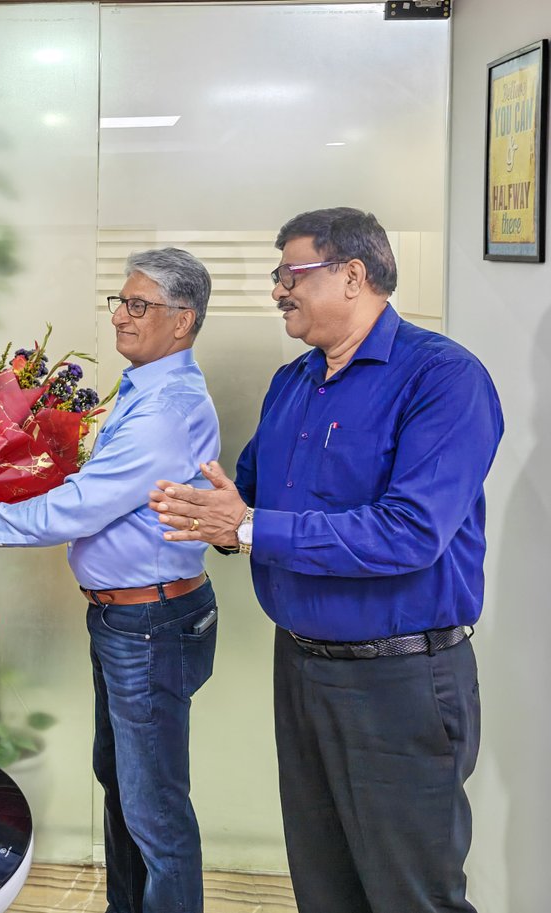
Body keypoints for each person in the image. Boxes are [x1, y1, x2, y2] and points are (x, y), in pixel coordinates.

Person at [149, 208, 502, 913]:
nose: (278, 289)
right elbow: (249, 495)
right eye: (277, 276)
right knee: (322, 883)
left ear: (353, 274)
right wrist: (212, 519)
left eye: (292, 273)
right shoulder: (293, 382)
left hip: (400, 681)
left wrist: (247, 527)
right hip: (303, 669)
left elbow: (409, 533)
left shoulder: (443, 379)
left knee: (411, 892)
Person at [0, 247, 221, 913]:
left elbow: (84, 504)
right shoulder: (145, 391)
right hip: (127, 620)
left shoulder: (167, 408)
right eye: (120, 300)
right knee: (122, 784)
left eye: (138, 305)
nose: (120, 315)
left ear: (183, 321)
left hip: (150, 624)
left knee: (155, 807)